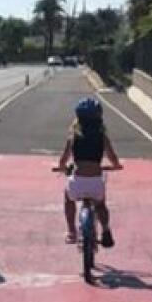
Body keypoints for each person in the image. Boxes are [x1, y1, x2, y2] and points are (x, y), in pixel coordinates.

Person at [55, 97, 122, 246]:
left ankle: (71, 231)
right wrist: (116, 165)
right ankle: (105, 229)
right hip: (95, 181)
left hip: (77, 182)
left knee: (68, 198)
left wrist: (62, 167)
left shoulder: (73, 137)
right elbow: (112, 157)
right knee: (100, 204)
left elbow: (63, 159)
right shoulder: (102, 137)